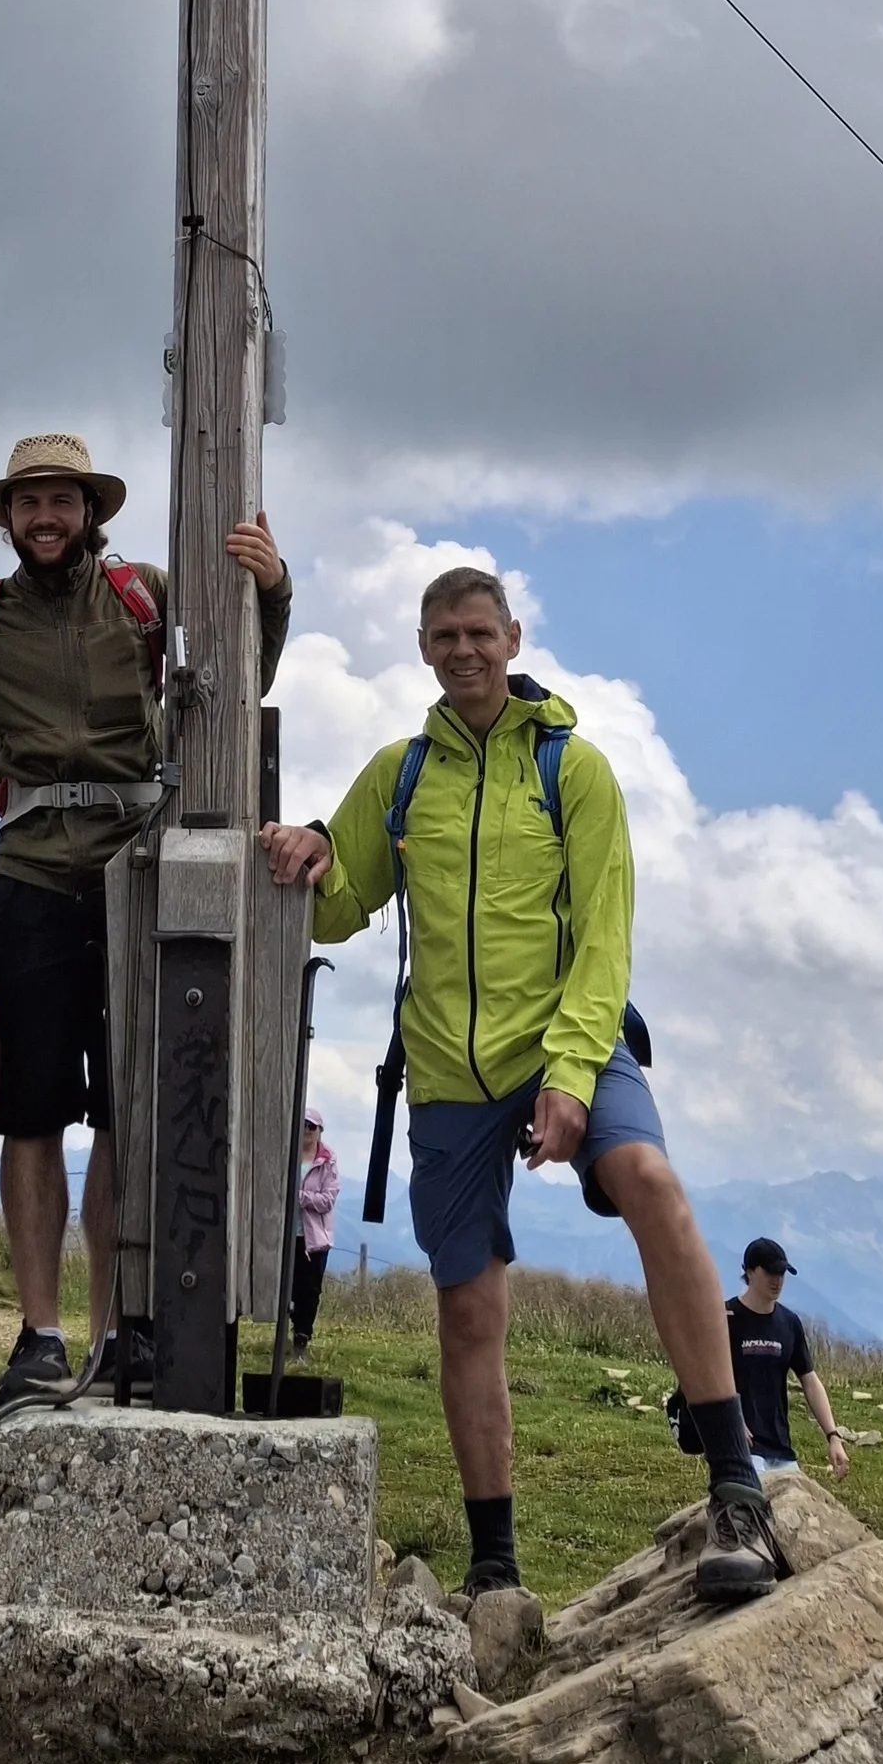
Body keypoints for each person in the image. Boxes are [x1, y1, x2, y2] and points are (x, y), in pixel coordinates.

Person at [263, 563, 782, 1604]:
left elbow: (605, 940)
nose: (463, 650)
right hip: (447, 1069)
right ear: (423, 648)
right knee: (468, 1311)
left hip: (568, 1037)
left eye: (479, 632)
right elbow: (343, 904)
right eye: (444, 635)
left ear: (512, 635)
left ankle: (738, 1486)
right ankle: (495, 1566)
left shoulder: (572, 768)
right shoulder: (401, 774)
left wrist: (572, 1077)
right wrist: (307, 851)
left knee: (650, 1182)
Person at [0, 430, 291, 1407]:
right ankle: (39, 1336)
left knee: (126, 1107)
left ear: (89, 510)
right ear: (7, 517)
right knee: (28, 1115)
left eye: (61, 500)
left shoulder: (147, 594)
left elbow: (244, 681)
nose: (44, 517)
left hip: (136, 871)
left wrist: (273, 592)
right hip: (29, 876)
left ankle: (120, 1332)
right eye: (27, 502)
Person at [727, 1238, 849, 1484]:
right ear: (750, 1272)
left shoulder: (789, 1323)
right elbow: (707, 1376)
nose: (778, 1280)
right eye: (770, 1273)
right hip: (741, 1446)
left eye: (782, 1273)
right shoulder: (726, 1317)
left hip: (781, 1449)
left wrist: (833, 1436)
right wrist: (731, 1419)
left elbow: (809, 1380)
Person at [291, 1114, 339, 1358]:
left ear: (320, 1130)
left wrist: (299, 1197)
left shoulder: (328, 1161)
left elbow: (327, 1200)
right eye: (303, 1124)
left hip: (314, 1240)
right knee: (287, 1289)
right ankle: (291, 1327)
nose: (307, 1130)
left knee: (309, 1292)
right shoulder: (287, 1154)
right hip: (285, 1236)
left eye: (312, 1126)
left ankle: (301, 1338)